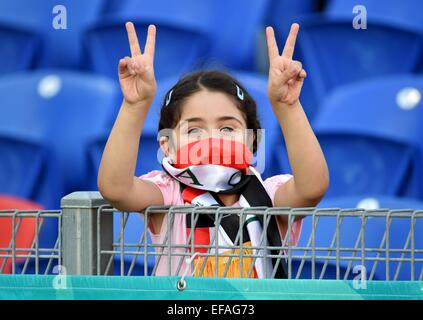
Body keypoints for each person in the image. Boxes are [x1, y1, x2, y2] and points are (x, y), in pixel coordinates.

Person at [97, 22, 329, 278]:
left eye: (227, 129)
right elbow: (116, 189)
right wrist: (135, 105)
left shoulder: (270, 195)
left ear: (252, 142)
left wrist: (287, 106)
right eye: (194, 130)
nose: (211, 140)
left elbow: (311, 188)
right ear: (167, 145)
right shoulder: (167, 194)